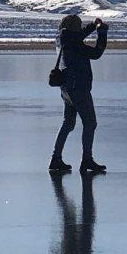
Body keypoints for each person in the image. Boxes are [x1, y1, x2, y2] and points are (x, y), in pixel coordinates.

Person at [49, 14, 109, 174]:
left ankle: (56, 158)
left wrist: (91, 26)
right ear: (75, 27)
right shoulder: (73, 43)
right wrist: (102, 33)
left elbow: (78, 36)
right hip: (79, 88)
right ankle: (87, 160)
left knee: (68, 123)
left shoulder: (62, 39)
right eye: (80, 25)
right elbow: (96, 53)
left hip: (66, 89)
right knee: (90, 123)